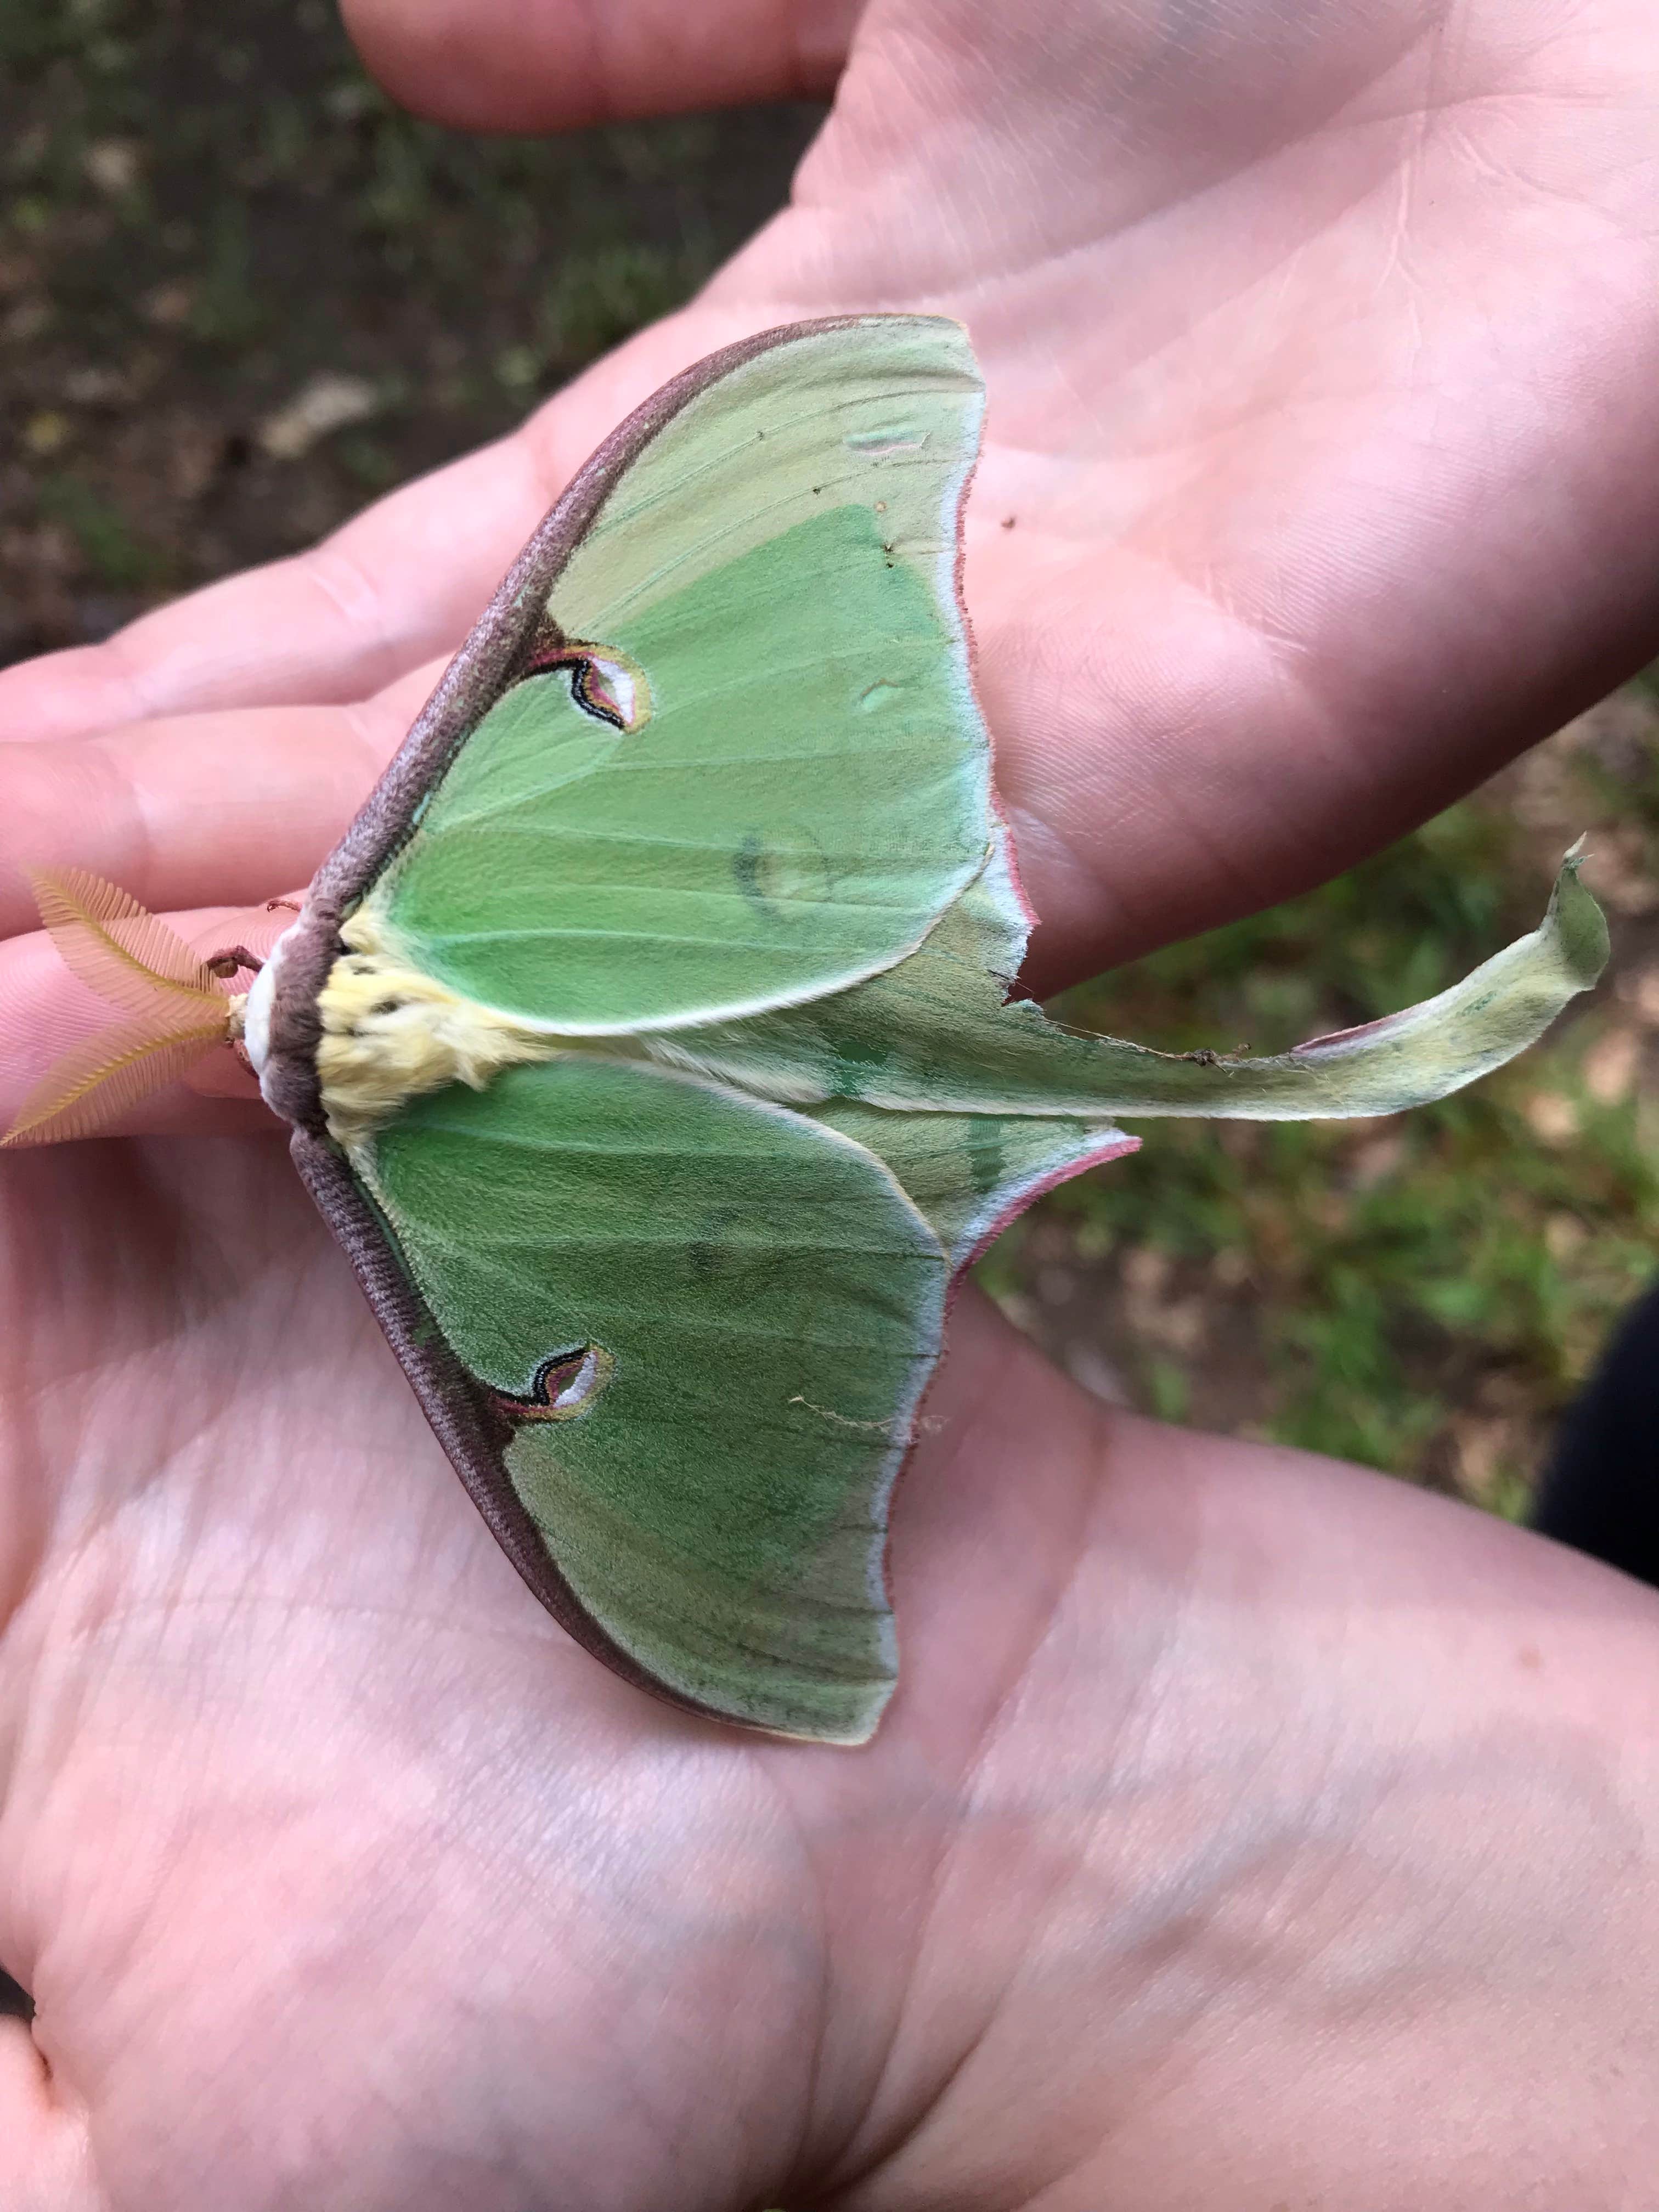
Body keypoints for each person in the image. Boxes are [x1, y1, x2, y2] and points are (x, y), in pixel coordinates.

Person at [4, 1, 1659, 2202]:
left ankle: (1421, 1051)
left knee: (1185, 1105)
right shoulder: (430, 854)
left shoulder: (411, 1206)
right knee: (1193, 1099)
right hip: (714, 976)